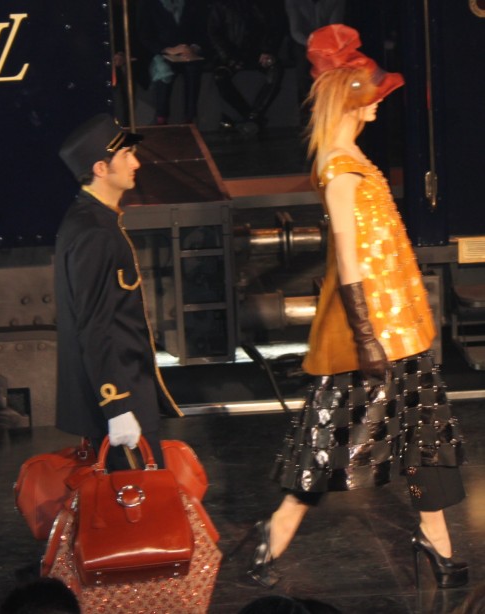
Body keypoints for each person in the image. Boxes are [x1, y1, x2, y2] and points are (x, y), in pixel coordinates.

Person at [243, 24, 468, 591]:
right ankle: (277, 528)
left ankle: (437, 540)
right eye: (371, 94)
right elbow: (347, 257)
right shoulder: (338, 166)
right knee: (331, 436)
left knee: (424, 434)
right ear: (347, 96)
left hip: (401, 326)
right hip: (370, 330)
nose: (377, 105)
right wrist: (366, 336)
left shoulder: (353, 157)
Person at [55, 113, 182, 470]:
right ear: (100, 168)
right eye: (126, 155)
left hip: (128, 390)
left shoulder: (95, 220)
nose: (136, 163)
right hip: (122, 395)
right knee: (141, 498)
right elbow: (94, 326)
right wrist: (117, 406)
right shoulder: (95, 233)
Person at [207, 0, 285, 135]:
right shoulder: (222, 4)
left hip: (258, 53)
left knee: (275, 70)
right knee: (220, 76)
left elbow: (276, 27)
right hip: (231, 54)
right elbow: (214, 32)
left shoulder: (267, 4)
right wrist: (229, 56)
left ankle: (253, 117)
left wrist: (267, 50)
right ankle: (252, 117)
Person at [136, 0, 208, 125]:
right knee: (163, 70)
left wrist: (193, 48)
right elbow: (145, 36)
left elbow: (201, 31)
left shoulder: (193, 4)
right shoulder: (149, 4)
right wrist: (168, 50)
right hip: (161, 52)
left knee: (193, 69)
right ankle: (161, 117)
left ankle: (190, 118)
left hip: (187, 52)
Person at [284, 0, 346, 124]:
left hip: (328, 45)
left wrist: (325, 47)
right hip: (304, 45)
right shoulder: (293, 2)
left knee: (331, 74)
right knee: (304, 74)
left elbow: (334, 27)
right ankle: (307, 117)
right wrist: (313, 45)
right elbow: (296, 30)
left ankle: (330, 114)